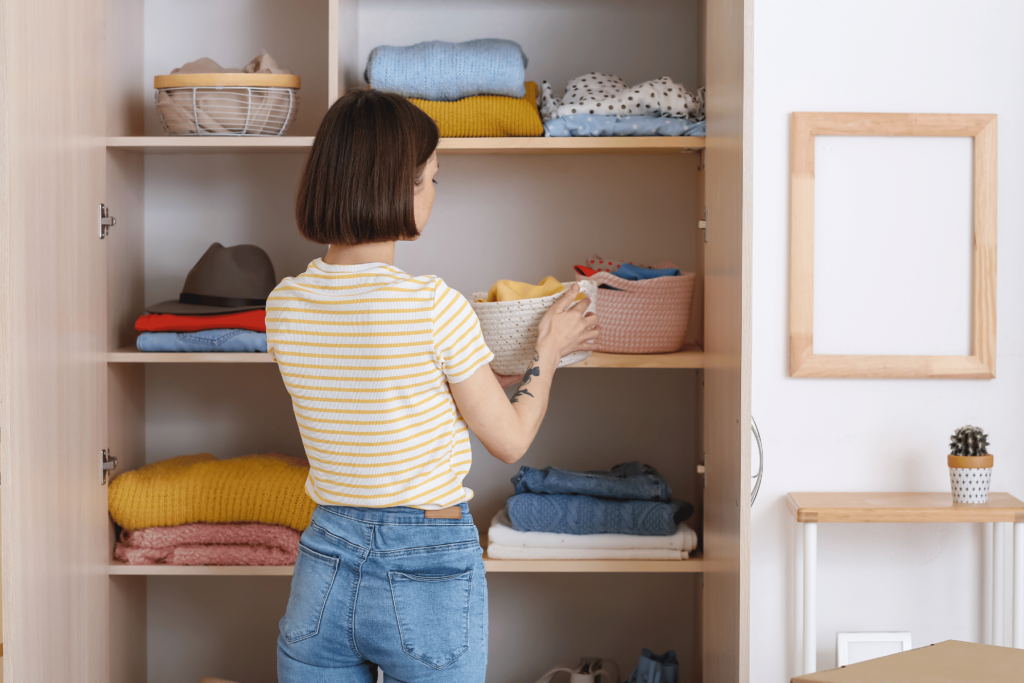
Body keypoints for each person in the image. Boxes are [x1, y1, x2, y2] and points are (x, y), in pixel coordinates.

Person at [269, 89, 599, 683]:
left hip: (324, 559)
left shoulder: (284, 305)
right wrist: (548, 351)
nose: (434, 195)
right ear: (402, 186)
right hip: (424, 564)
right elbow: (510, 441)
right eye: (433, 179)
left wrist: (468, 374)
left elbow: (377, 388)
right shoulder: (432, 306)